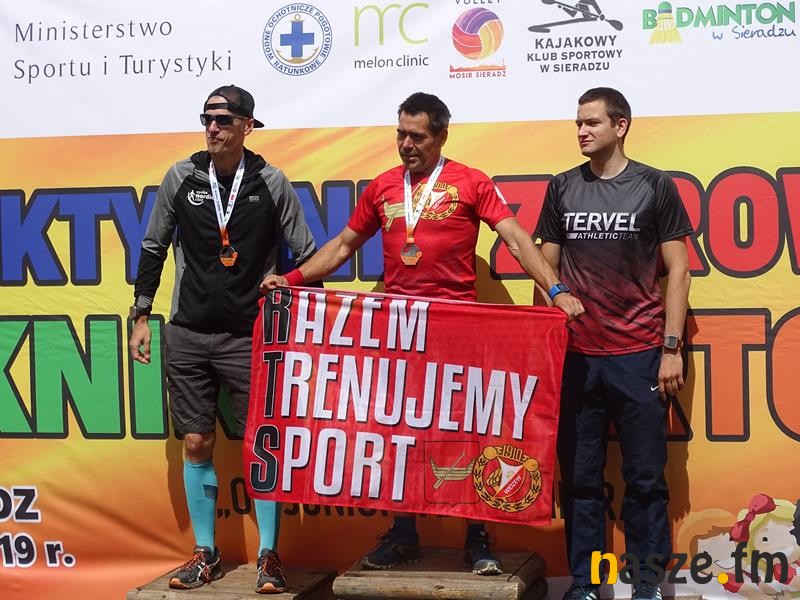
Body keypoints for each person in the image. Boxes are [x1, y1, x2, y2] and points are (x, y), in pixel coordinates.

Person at [262, 91, 585, 576]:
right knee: (400, 434)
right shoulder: (383, 187)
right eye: (400, 134)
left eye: (416, 136)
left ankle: (477, 537)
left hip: (458, 332)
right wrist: (290, 280)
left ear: (441, 135)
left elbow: (517, 240)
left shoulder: (471, 182)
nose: (406, 145)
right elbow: (344, 245)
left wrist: (555, 289)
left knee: (469, 431)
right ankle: (403, 535)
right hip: (401, 333)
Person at [128, 85, 318, 594]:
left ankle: (269, 556)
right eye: (206, 119)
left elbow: (305, 255)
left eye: (224, 119)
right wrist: (141, 314)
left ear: (248, 126)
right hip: (188, 332)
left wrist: (310, 323)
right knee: (196, 441)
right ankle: (206, 553)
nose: (212, 128)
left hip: (250, 334)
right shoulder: (181, 176)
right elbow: (153, 246)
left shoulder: (271, 182)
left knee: (263, 446)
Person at [534, 87, 692, 600]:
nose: (582, 131)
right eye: (578, 123)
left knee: (645, 479)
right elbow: (545, 270)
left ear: (620, 126)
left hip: (640, 356)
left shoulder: (655, 185)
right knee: (581, 480)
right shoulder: (561, 187)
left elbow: (678, 272)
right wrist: (549, 338)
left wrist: (671, 348)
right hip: (577, 358)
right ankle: (585, 583)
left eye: (592, 122)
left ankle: (647, 584)